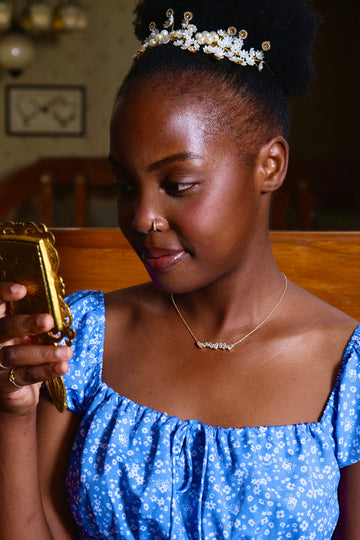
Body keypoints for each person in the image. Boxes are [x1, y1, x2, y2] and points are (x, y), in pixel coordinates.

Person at [0, 0, 359, 538]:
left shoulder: (347, 370)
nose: (142, 218)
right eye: (125, 187)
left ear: (270, 165)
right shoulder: (86, 337)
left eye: (178, 186)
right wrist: (13, 413)